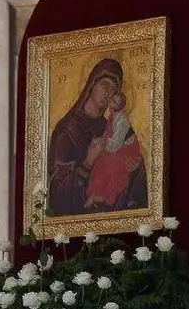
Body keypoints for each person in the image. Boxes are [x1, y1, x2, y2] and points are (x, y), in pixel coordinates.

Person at [47, 58, 147, 215]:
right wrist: (88, 161)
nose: (108, 94)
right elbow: (57, 193)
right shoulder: (66, 131)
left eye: (114, 90)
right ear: (91, 85)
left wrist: (134, 166)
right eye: (104, 85)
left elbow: (131, 156)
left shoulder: (110, 126)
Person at [83, 92, 143, 209]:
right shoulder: (111, 116)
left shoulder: (122, 121)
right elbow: (108, 134)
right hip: (115, 147)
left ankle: (102, 196)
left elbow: (116, 143)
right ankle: (94, 193)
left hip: (128, 150)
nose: (112, 104)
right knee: (99, 161)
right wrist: (100, 141)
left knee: (108, 164)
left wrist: (102, 143)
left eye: (115, 103)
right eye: (112, 100)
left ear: (120, 106)